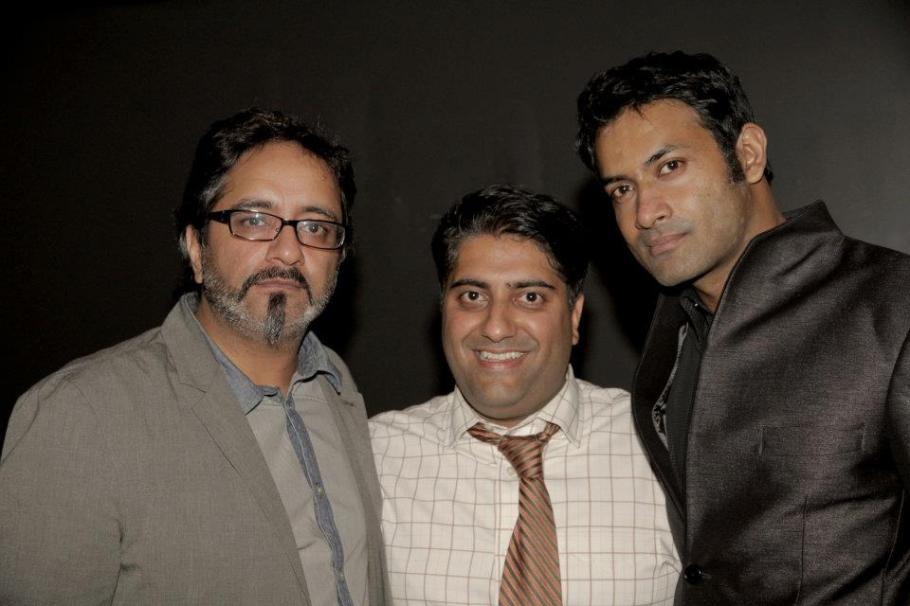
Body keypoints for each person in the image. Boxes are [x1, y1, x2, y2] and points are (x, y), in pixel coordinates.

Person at [0, 108, 388, 605]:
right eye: (254, 220)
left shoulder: (339, 390)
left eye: (315, 227)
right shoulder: (79, 416)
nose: (289, 251)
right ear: (196, 248)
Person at [576, 50, 910, 604]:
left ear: (748, 154)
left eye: (669, 167)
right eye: (621, 189)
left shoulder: (893, 306)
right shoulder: (673, 334)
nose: (644, 213)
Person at [370, 185, 680, 606]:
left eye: (530, 297)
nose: (496, 327)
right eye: (472, 296)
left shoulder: (664, 448)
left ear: (574, 316)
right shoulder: (375, 459)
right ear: (443, 308)